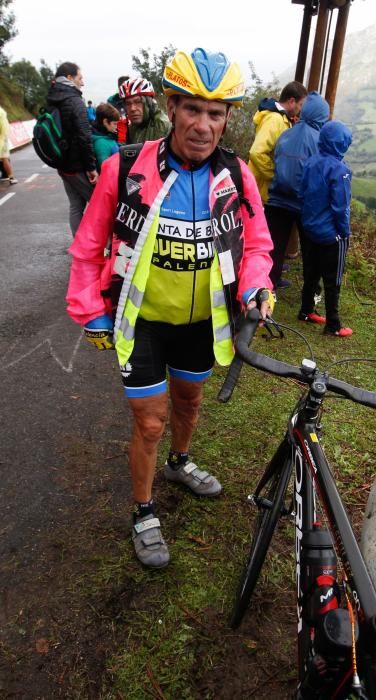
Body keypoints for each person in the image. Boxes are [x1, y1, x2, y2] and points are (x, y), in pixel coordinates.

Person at [66, 47, 274, 569]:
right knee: (150, 422)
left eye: (216, 113)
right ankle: (143, 510)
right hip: (143, 324)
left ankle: (180, 463)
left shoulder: (237, 174)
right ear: (171, 107)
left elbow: (257, 245)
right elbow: (88, 245)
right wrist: (89, 308)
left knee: (189, 404)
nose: (203, 126)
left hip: (202, 323)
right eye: (192, 110)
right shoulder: (126, 166)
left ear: (228, 119)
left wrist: (254, 287)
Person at [265, 91, 329, 295]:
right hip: (304, 204)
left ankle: (268, 290)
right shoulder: (320, 140)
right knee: (312, 251)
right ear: (321, 116)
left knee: (274, 249)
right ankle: (310, 296)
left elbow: (276, 158)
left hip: (277, 200)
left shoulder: (287, 132)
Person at [300, 120, 353, 338]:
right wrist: (345, 232)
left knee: (311, 274)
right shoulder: (341, 170)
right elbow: (340, 206)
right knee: (333, 281)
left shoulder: (311, 162)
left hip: (309, 229)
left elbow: (302, 193)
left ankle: (306, 311)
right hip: (331, 235)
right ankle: (333, 325)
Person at [46, 62, 98, 235]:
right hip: (77, 166)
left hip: (62, 163)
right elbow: (84, 136)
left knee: (76, 206)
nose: (82, 82)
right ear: (69, 78)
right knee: (99, 203)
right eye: (80, 78)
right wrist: (91, 167)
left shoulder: (52, 99)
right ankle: (98, 246)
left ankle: (79, 243)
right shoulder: (75, 100)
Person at [248, 80, 307, 205]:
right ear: (291, 101)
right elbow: (256, 152)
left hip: (264, 192)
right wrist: (276, 176)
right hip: (260, 191)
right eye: (301, 104)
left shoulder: (282, 118)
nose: (301, 109)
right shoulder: (275, 119)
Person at [118, 77, 170, 144]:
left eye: (138, 102)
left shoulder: (163, 126)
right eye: (128, 104)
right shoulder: (132, 127)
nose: (132, 109)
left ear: (148, 103)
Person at [91, 102, 120, 171]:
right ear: (106, 122)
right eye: (115, 124)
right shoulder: (100, 144)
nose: (116, 127)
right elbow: (106, 171)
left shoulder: (107, 135)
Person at [0, 104, 18, 185]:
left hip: (2, 138)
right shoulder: (2, 112)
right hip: (3, 137)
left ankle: (11, 177)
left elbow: (3, 128)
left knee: (4, 158)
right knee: (4, 158)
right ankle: (9, 177)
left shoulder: (1, 113)